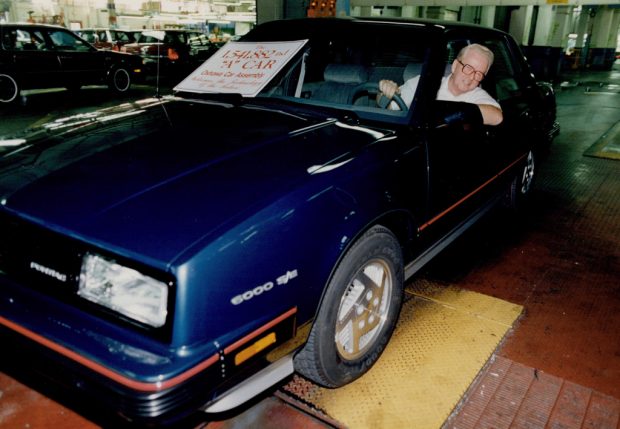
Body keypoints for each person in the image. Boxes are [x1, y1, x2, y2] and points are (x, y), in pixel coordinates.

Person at [378, 43, 503, 126]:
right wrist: (385, 91)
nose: (471, 77)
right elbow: (388, 106)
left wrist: (456, 112)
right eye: (468, 68)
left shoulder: (477, 95)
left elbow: (497, 117)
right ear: (454, 66)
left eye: (479, 74)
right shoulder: (422, 83)